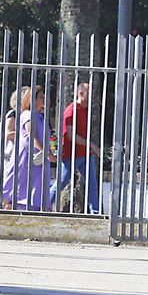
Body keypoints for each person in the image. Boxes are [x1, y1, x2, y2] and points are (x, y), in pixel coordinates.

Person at [48, 82, 101, 213]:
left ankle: (95, 213)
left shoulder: (86, 110)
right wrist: (91, 145)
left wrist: (89, 148)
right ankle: (44, 205)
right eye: (89, 92)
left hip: (85, 154)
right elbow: (71, 135)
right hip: (71, 155)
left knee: (92, 185)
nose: (92, 95)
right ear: (81, 93)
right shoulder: (71, 111)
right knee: (61, 183)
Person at [1, 86, 52, 210]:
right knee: (22, 182)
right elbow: (32, 136)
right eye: (41, 97)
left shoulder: (40, 116)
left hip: (37, 158)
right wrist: (47, 153)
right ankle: (11, 205)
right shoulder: (28, 115)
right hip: (27, 157)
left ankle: (36, 207)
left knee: (37, 184)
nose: (44, 99)